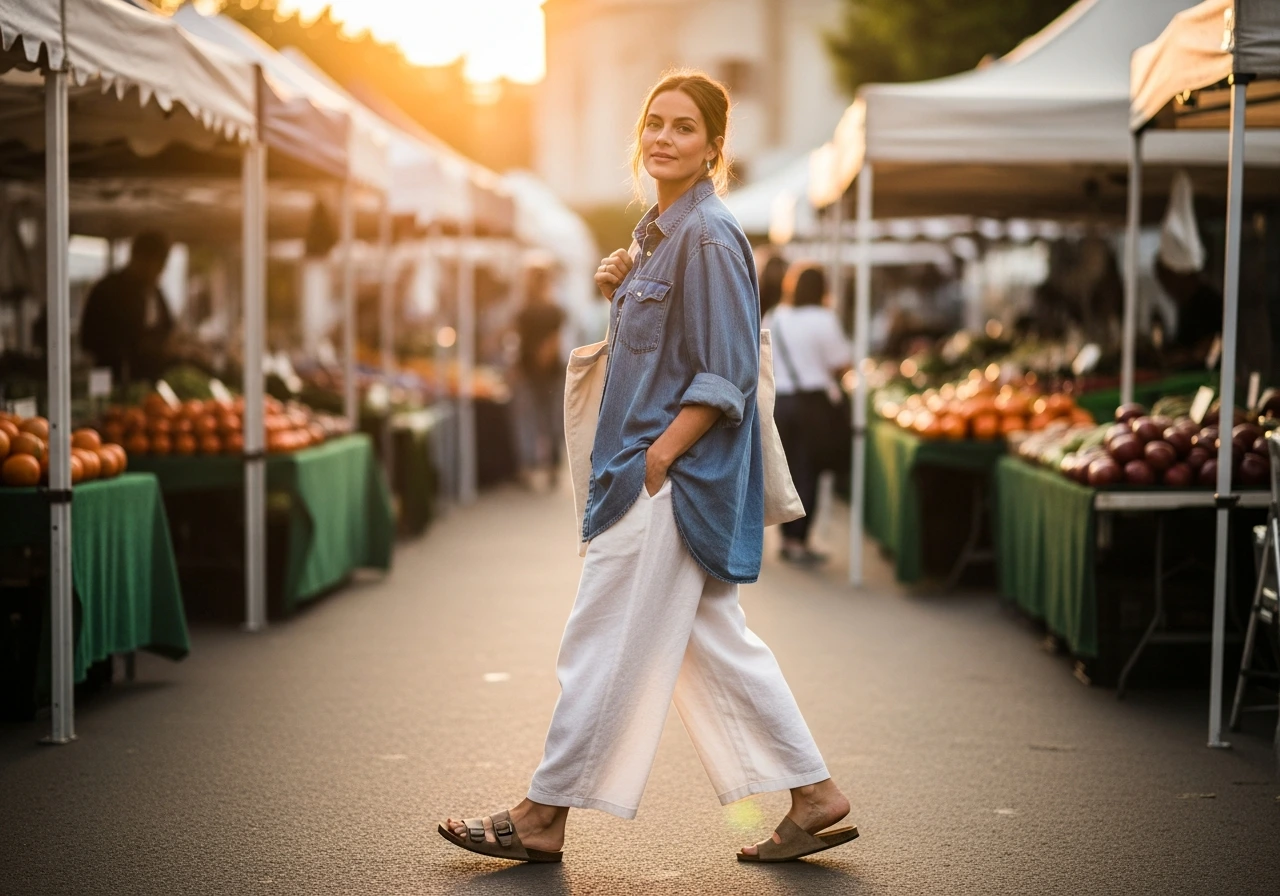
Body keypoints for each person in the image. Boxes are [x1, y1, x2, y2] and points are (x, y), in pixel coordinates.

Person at [441, 70, 855, 865]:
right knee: (711, 642)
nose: (663, 137)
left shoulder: (710, 234)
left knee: (597, 639)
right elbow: (658, 358)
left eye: (684, 128)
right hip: (651, 472)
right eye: (654, 123)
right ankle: (814, 794)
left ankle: (542, 814)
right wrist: (619, 292)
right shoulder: (658, 234)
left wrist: (661, 455)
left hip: (665, 477)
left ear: (713, 149)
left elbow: (726, 369)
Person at [763, 264, 852, 565]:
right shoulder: (824, 319)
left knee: (784, 470)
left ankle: (786, 537)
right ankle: (797, 541)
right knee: (808, 471)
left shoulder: (774, 316)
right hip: (812, 402)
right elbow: (842, 362)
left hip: (780, 401)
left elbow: (763, 359)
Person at [79, 231, 174, 382]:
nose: (159, 272)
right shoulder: (107, 289)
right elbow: (88, 340)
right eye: (157, 265)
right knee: (101, 404)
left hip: (148, 379)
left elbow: (167, 327)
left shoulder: (155, 291)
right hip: (109, 376)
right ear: (138, 259)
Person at [512, 261, 568, 488]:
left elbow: (551, 343)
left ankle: (533, 467)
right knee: (545, 421)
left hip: (541, 372)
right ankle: (544, 467)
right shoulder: (547, 310)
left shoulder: (534, 310)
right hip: (543, 372)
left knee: (536, 421)